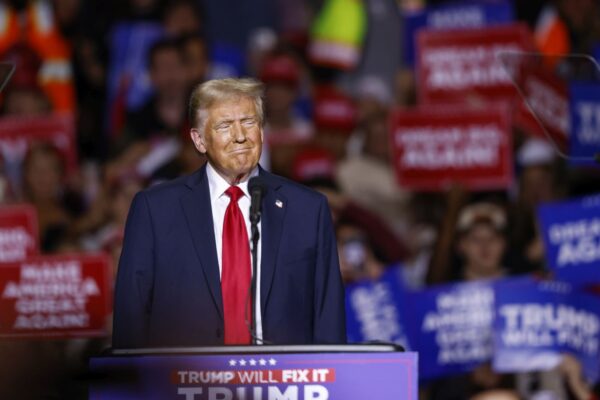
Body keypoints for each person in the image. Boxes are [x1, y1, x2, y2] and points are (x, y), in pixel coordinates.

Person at [112, 77, 345, 348]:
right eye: (225, 125)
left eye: (249, 122)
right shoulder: (155, 210)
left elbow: (328, 316)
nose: (240, 136)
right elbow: (132, 317)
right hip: (184, 384)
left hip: (282, 384)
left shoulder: (307, 210)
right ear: (199, 140)